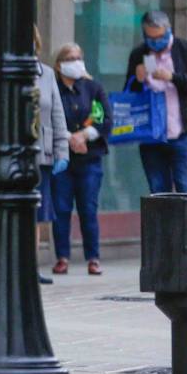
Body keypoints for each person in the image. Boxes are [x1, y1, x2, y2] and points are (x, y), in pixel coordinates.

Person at [126, 11, 187, 194]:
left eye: (160, 37)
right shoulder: (139, 54)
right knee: (158, 190)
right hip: (151, 134)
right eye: (151, 38)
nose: (156, 42)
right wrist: (137, 79)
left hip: (182, 132)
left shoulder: (186, 49)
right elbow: (129, 94)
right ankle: (162, 224)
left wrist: (173, 77)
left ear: (168, 30)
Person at [51, 43, 112, 275]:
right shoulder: (54, 88)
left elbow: (105, 119)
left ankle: (93, 258)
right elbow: (48, 119)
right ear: (59, 64)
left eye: (78, 57)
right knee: (61, 208)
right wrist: (70, 138)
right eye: (69, 58)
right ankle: (62, 257)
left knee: (88, 208)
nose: (75, 62)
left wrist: (84, 136)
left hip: (90, 158)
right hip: (62, 157)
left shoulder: (93, 87)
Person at [33, 26, 69, 286]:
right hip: (10, 155)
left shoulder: (46, 74)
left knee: (36, 214)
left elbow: (57, 114)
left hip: (40, 153)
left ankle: (29, 266)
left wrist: (61, 151)